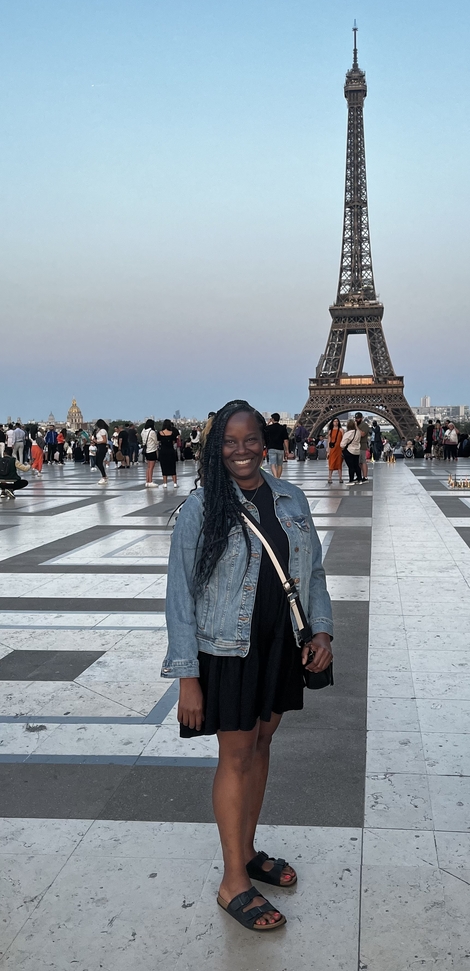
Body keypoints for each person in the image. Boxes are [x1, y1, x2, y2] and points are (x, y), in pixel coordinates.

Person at [161, 399, 333, 932]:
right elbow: (179, 597)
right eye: (229, 442)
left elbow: (314, 572)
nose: (241, 450)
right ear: (216, 448)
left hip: (281, 644)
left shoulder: (291, 497)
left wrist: (321, 628)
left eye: (250, 439)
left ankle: (248, 850)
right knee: (236, 755)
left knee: (261, 744)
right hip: (226, 649)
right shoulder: (201, 508)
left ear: (266, 441)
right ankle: (233, 879)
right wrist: (187, 676)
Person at [264, 413, 289, 478]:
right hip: (280, 448)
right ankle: (278, 478)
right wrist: (287, 450)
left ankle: (275, 478)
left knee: (273, 464)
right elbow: (285, 440)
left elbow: (263, 430)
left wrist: (268, 422)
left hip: (271, 448)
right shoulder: (282, 428)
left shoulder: (269, 428)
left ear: (272, 419)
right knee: (280, 465)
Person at [340, 418, 363, 485]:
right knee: (356, 465)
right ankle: (359, 479)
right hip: (357, 451)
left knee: (351, 466)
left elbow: (342, 445)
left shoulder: (347, 433)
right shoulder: (358, 432)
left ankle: (351, 480)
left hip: (349, 451)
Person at [158, 419, 179, 487]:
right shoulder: (172, 433)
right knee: (172, 467)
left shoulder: (159, 433)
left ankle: (165, 483)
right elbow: (174, 442)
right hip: (170, 451)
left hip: (163, 451)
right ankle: (175, 483)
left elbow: (158, 442)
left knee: (164, 467)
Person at [141, 419, 159, 488]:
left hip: (146, 450)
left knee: (148, 467)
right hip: (152, 450)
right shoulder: (152, 432)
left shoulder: (143, 431)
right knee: (151, 467)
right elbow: (155, 441)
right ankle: (150, 481)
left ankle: (147, 481)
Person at [326, 417, 343, 485]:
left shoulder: (341, 430)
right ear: (332, 422)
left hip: (339, 449)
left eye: (337, 421)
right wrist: (328, 451)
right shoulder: (330, 431)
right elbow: (329, 441)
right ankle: (329, 477)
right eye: (334, 421)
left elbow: (343, 440)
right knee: (331, 463)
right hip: (332, 449)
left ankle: (340, 478)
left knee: (339, 464)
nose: (336, 422)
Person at [354, 413, 370, 482]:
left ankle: (365, 477)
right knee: (358, 462)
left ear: (361, 418)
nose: (357, 419)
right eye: (356, 418)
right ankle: (359, 476)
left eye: (358, 418)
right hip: (356, 445)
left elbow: (362, 434)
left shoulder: (365, 425)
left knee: (363, 461)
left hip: (362, 445)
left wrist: (356, 427)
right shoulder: (357, 425)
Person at [94, 420, 109, 484]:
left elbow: (104, 440)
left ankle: (104, 477)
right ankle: (104, 475)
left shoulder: (102, 431)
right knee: (97, 462)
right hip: (100, 447)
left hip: (102, 446)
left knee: (99, 462)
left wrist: (97, 441)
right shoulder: (100, 431)